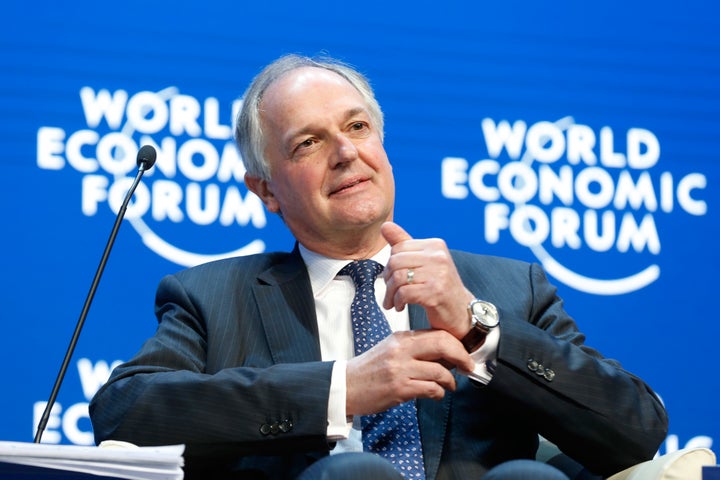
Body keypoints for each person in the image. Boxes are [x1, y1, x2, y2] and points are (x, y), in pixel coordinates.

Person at [89, 54, 669, 480]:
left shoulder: (506, 287)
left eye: (358, 127)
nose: (346, 152)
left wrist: (479, 327)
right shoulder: (212, 296)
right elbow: (124, 415)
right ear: (266, 190)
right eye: (308, 143)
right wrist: (340, 390)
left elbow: (636, 429)